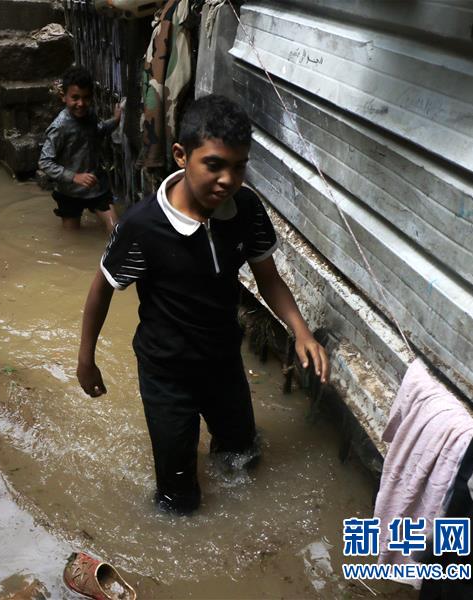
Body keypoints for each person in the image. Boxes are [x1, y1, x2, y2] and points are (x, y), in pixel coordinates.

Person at [76, 94, 329, 514]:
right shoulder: (142, 226)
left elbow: (268, 278)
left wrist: (300, 331)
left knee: (242, 462)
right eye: (214, 165)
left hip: (223, 362)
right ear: (181, 156)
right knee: (179, 500)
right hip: (166, 373)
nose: (228, 179)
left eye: (239, 166)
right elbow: (102, 288)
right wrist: (86, 360)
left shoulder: (246, 210)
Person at [39, 66, 122, 233]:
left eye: (86, 98)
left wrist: (115, 120)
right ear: (64, 97)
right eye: (75, 98)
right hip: (69, 192)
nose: (81, 104)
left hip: (96, 186)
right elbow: (45, 162)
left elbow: (98, 131)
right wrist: (74, 177)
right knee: (71, 237)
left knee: (116, 230)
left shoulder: (89, 115)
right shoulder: (60, 127)